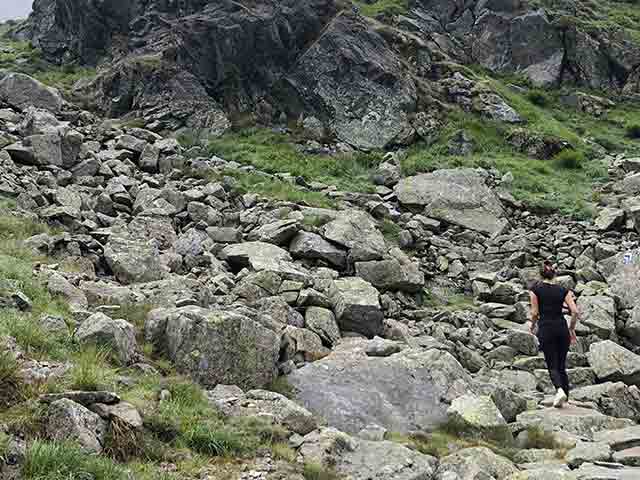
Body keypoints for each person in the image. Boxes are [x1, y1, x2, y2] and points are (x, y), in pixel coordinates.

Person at [529, 261, 579, 408]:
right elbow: (575, 311)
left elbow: (535, 313)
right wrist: (571, 328)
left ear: (541, 274)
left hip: (546, 328)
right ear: (554, 275)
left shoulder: (535, 289)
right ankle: (566, 399)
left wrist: (532, 326)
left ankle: (559, 390)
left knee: (552, 364)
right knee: (562, 365)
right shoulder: (563, 290)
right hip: (562, 328)